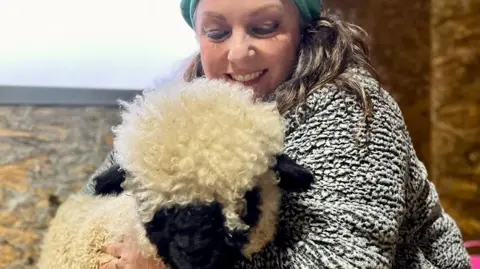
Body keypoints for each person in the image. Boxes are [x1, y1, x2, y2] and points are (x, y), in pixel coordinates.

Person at [81, 0, 472, 268]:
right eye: (216, 33)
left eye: (264, 28)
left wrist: (167, 258)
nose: (238, 54)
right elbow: (91, 206)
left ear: (303, 29)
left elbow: (344, 260)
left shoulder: (352, 109)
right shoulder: (177, 107)